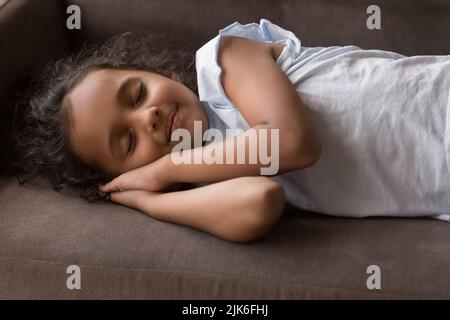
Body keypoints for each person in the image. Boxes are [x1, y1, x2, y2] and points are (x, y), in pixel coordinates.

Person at [12, 19, 450, 242]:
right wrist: (149, 201)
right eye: (127, 142)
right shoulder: (211, 171)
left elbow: (292, 143)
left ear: (158, 70)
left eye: (137, 92)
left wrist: (163, 169)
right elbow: (259, 203)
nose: (146, 117)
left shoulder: (224, 60)